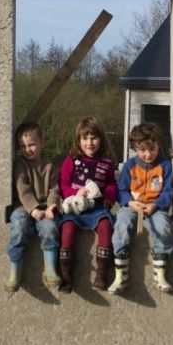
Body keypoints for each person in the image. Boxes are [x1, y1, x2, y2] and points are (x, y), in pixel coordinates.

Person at [108, 122, 173, 295]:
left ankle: (160, 273)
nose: (147, 154)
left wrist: (156, 205)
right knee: (121, 224)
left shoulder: (165, 166)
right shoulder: (130, 166)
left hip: (156, 206)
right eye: (142, 150)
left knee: (163, 227)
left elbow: (169, 191)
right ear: (135, 148)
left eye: (152, 149)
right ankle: (120, 275)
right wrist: (129, 202)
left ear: (158, 145)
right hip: (132, 206)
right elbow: (120, 190)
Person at [59, 116, 117, 292]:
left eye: (94, 138)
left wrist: (108, 196)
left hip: (97, 207)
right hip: (75, 206)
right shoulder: (72, 160)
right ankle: (66, 275)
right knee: (67, 227)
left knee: (106, 225)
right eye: (85, 138)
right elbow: (62, 183)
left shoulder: (106, 162)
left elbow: (111, 184)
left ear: (101, 139)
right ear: (78, 141)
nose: (89, 143)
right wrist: (74, 192)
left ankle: (101, 273)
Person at [5, 121, 61, 292]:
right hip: (23, 206)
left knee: (50, 228)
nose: (27, 149)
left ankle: (50, 269)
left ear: (42, 143)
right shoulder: (19, 164)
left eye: (31, 145)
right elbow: (23, 189)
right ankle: (15, 271)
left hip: (45, 208)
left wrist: (51, 207)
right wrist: (33, 209)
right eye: (23, 146)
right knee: (20, 226)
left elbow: (54, 189)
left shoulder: (49, 167)